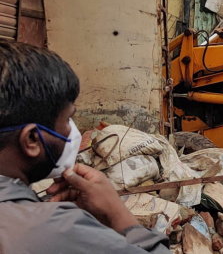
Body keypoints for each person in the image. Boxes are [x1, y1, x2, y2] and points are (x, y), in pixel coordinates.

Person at [0, 41, 169, 253]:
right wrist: (118, 215)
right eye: (68, 119)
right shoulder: (53, 229)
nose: (73, 130)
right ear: (32, 140)